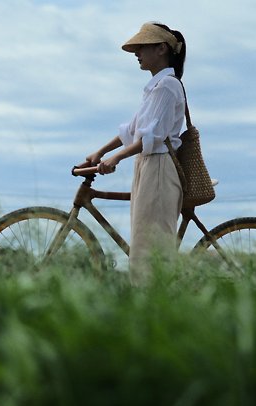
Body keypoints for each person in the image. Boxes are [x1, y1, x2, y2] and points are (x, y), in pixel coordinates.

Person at [85, 22, 187, 284]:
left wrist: (116, 157)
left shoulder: (167, 85)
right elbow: (133, 130)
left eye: (142, 47)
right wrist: (101, 152)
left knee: (151, 245)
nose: (136, 53)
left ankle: (156, 306)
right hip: (148, 164)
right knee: (144, 238)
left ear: (161, 48)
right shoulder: (155, 87)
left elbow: (153, 137)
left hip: (160, 167)